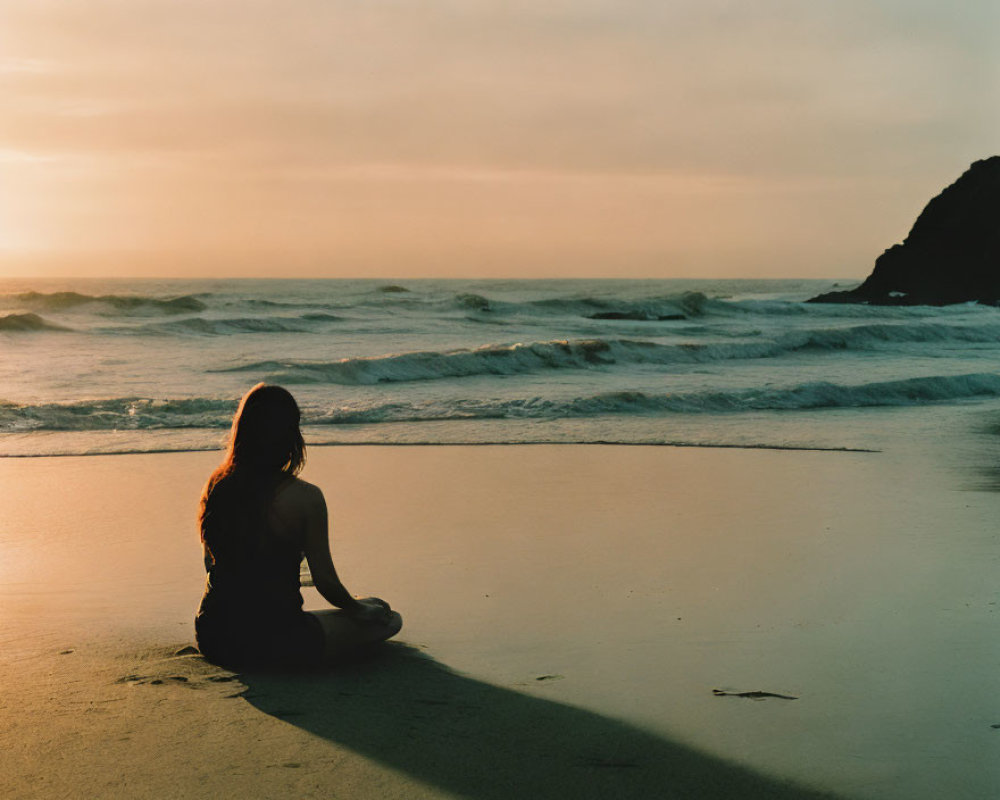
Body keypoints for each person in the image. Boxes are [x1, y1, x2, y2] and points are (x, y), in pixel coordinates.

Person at [195, 383, 401, 668]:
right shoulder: (306, 497)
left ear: (242, 430)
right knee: (387, 616)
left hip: (213, 636)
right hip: (277, 642)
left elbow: (211, 564)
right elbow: (326, 583)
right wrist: (359, 610)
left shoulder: (217, 484)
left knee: (370, 605)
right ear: (290, 434)